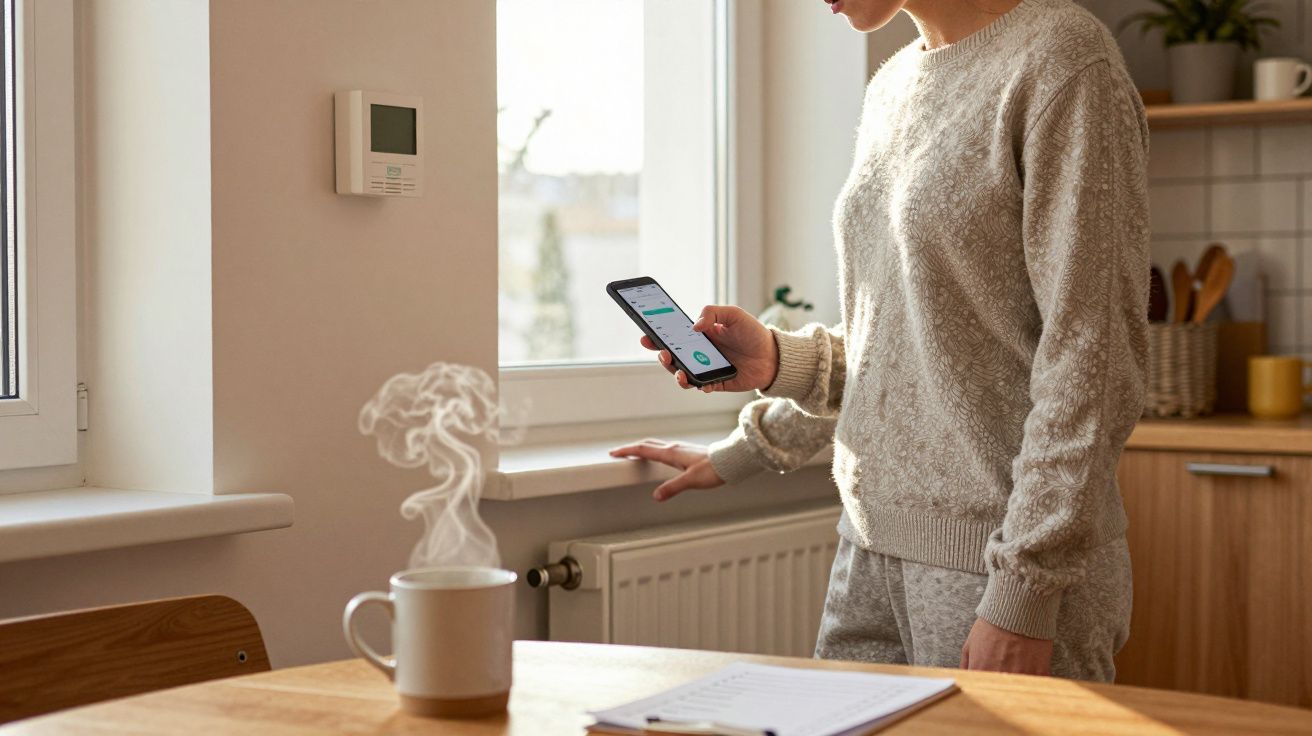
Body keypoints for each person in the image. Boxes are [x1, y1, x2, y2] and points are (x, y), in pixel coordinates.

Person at [609, 0, 1148, 682]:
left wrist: (1024, 594)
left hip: (997, 565)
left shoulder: (1064, 61)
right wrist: (772, 379)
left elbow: (1092, 363)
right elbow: (901, 339)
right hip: (868, 548)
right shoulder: (894, 84)